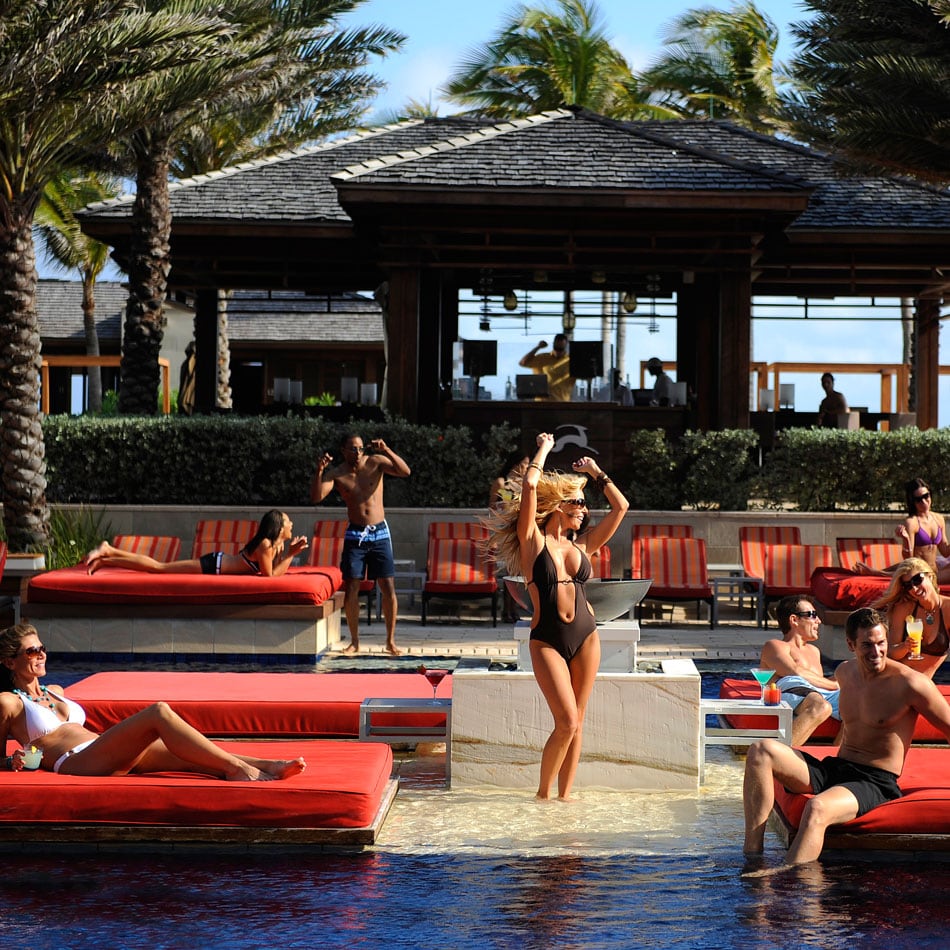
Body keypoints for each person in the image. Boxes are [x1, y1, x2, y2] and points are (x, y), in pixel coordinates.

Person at [742, 607, 950, 870]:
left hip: (874, 781)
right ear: (851, 644)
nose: (876, 652)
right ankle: (752, 859)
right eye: (867, 645)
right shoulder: (845, 673)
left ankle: (789, 885)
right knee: (760, 751)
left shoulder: (910, 684)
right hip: (837, 769)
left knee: (817, 808)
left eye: (881, 643)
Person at [486, 431, 629, 800]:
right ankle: (543, 796)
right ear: (560, 506)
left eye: (584, 502)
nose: (584, 508)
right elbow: (531, 484)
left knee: (577, 723)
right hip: (548, 638)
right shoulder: (533, 542)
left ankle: (565, 799)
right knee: (565, 721)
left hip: (586, 636)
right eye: (577, 502)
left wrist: (597, 472)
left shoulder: (583, 545)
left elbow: (621, 508)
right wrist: (545, 448)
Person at [0, 623, 305, 780]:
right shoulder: (9, 702)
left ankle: (266, 766)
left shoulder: (55, 690)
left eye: (41, 647)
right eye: (30, 651)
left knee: (199, 758)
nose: (40, 654)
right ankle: (239, 770)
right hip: (78, 762)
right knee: (158, 713)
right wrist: (10, 761)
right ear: (9, 663)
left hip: (104, 748)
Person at [311, 432, 411, 656]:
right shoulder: (337, 474)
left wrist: (386, 450)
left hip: (380, 533)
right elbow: (317, 497)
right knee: (352, 587)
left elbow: (405, 471)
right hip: (355, 535)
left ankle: (390, 641)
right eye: (352, 449)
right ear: (343, 450)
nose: (357, 453)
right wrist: (319, 472)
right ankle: (355, 642)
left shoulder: (375, 462)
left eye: (359, 448)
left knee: (387, 586)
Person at [85, 510, 307, 577]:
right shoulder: (266, 545)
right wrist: (290, 555)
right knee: (158, 568)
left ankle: (109, 550)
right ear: (278, 526)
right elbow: (269, 577)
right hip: (214, 565)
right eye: (288, 521)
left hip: (219, 563)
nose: (291, 524)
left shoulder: (274, 546)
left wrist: (288, 552)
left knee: (159, 567)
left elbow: (274, 573)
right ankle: (106, 559)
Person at [759, 595, 840, 745]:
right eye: (812, 615)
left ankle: (838, 761)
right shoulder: (775, 645)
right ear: (794, 620)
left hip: (818, 692)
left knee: (860, 705)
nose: (819, 621)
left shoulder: (814, 651)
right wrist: (835, 684)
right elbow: (794, 672)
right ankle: (778, 758)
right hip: (788, 687)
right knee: (820, 706)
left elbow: (817, 683)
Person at [855, 479, 950, 581]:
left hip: (933, 571)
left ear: (930, 495)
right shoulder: (912, 522)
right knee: (909, 569)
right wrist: (905, 539)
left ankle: (878, 572)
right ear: (912, 502)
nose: (924, 501)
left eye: (926, 496)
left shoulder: (939, 519)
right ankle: (878, 573)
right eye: (918, 499)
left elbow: (945, 552)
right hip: (917, 570)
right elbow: (908, 559)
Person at [874, 557, 949, 678]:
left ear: (929, 576)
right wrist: (905, 646)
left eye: (917, 580)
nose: (914, 588)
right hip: (893, 678)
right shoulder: (905, 608)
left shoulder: (947, 609)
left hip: (921, 684)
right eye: (908, 585)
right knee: (846, 671)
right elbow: (891, 653)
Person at [490, 451, 531, 624]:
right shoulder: (503, 482)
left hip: (518, 531)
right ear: (517, 464)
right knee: (509, 572)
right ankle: (506, 610)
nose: (527, 468)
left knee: (517, 572)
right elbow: (497, 505)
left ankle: (513, 609)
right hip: (504, 533)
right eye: (526, 464)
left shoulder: (523, 485)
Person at [519, 334, 573, 401]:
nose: (558, 351)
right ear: (553, 345)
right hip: (542, 403)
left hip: (561, 403)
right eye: (556, 348)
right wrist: (538, 347)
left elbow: (585, 376)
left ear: (566, 347)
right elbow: (523, 363)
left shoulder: (570, 361)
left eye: (561, 349)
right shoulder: (543, 358)